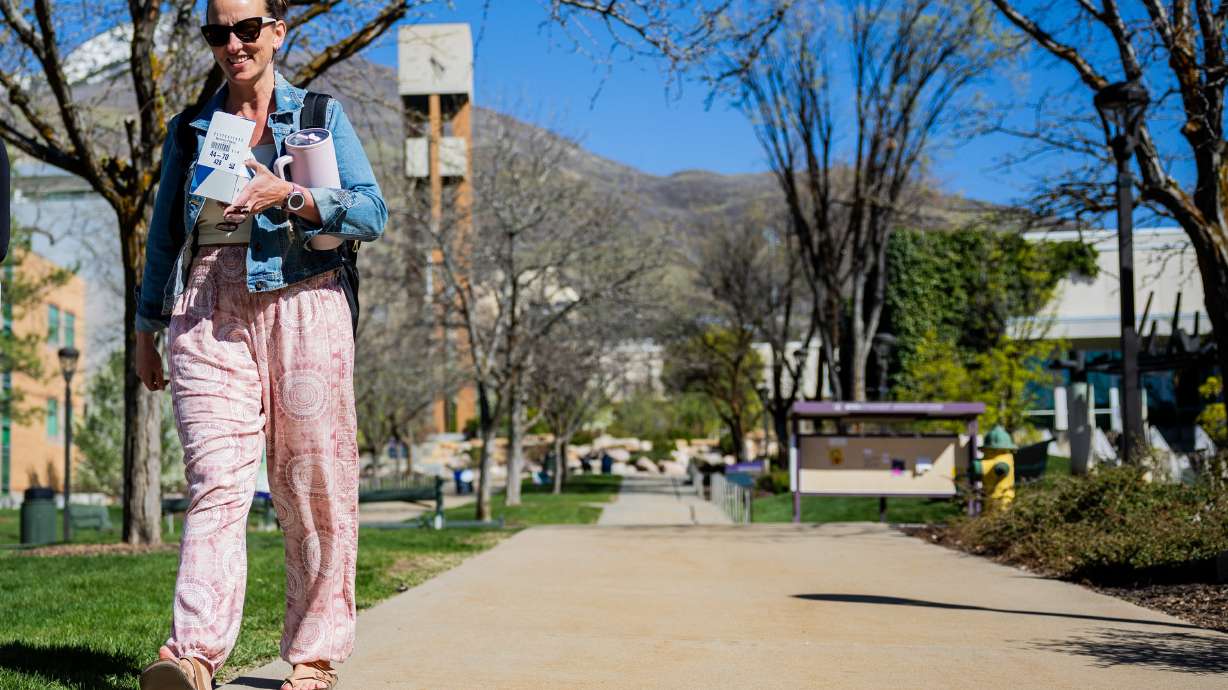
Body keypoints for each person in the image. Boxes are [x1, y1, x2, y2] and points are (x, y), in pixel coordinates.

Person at [136, 1, 385, 689]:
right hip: (210, 302)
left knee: (314, 483)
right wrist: (145, 328)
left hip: (304, 297)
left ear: (278, 30)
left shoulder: (319, 116)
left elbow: (372, 211)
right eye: (218, 31)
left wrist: (292, 197)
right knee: (216, 480)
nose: (233, 43)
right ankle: (192, 654)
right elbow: (163, 238)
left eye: (248, 28)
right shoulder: (191, 131)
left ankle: (313, 655)